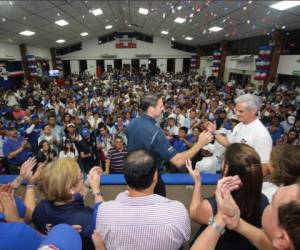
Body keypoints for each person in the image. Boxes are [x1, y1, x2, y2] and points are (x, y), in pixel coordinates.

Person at [94, 150, 191, 250]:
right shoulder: (178, 211)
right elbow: (184, 239)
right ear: (155, 177)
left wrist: (96, 190)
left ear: (126, 178)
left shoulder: (105, 211)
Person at [126, 93, 213, 196]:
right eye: (161, 106)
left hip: (132, 177)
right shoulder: (155, 132)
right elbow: (178, 161)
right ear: (151, 109)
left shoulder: (132, 123)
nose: (163, 109)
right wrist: (200, 143)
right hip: (150, 182)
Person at [187, 143, 269, 250]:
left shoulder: (212, 206)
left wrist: (197, 184)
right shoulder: (263, 200)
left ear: (226, 168)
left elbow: (194, 212)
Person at [32, 158, 102, 250]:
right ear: (71, 189)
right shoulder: (89, 218)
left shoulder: (40, 209)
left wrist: (86, 185)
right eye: (81, 176)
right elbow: (104, 220)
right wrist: (96, 190)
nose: (83, 177)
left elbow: (72, 198)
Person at [205, 93, 272, 174]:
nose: (236, 114)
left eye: (241, 111)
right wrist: (214, 132)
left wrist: (241, 179)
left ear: (253, 111)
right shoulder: (239, 126)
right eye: (236, 110)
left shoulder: (261, 134)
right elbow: (229, 143)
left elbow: (265, 167)